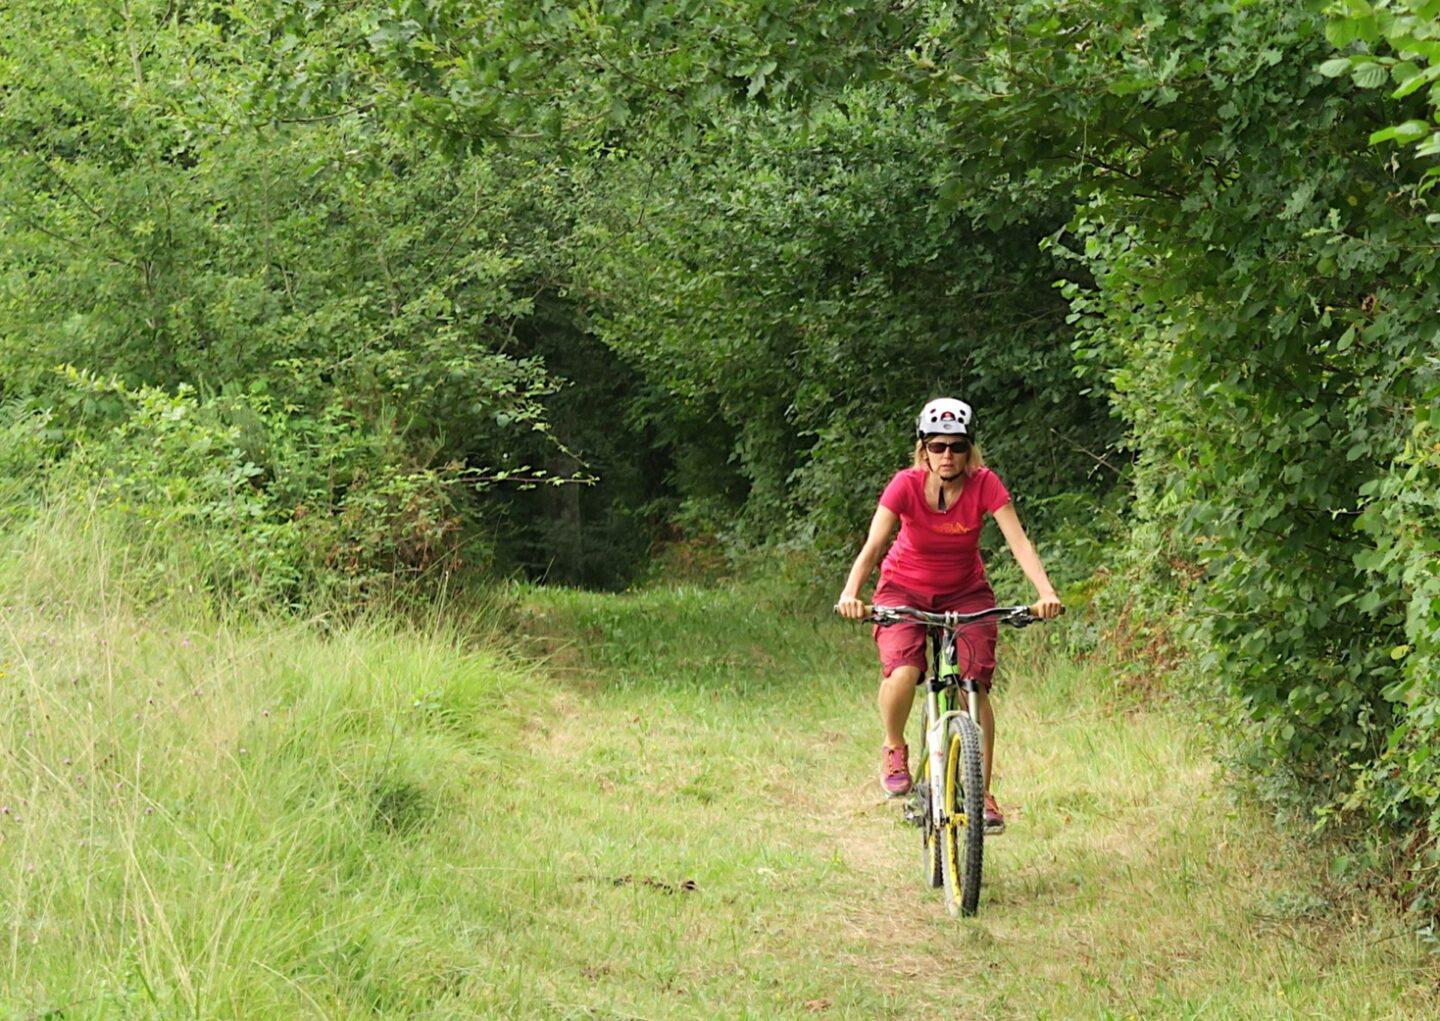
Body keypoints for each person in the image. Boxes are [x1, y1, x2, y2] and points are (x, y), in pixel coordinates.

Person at [835, 397, 1063, 833]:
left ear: (969, 449)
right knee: (903, 671)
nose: (947, 456)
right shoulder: (904, 485)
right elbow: (873, 546)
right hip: (904, 588)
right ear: (923, 449)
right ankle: (894, 744)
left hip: (966, 592)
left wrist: (1045, 592)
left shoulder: (985, 484)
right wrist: (851, 592)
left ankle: (981, 793)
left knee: (972, 686)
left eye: (956, 447)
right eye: (937, 446)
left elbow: (1019, 543)